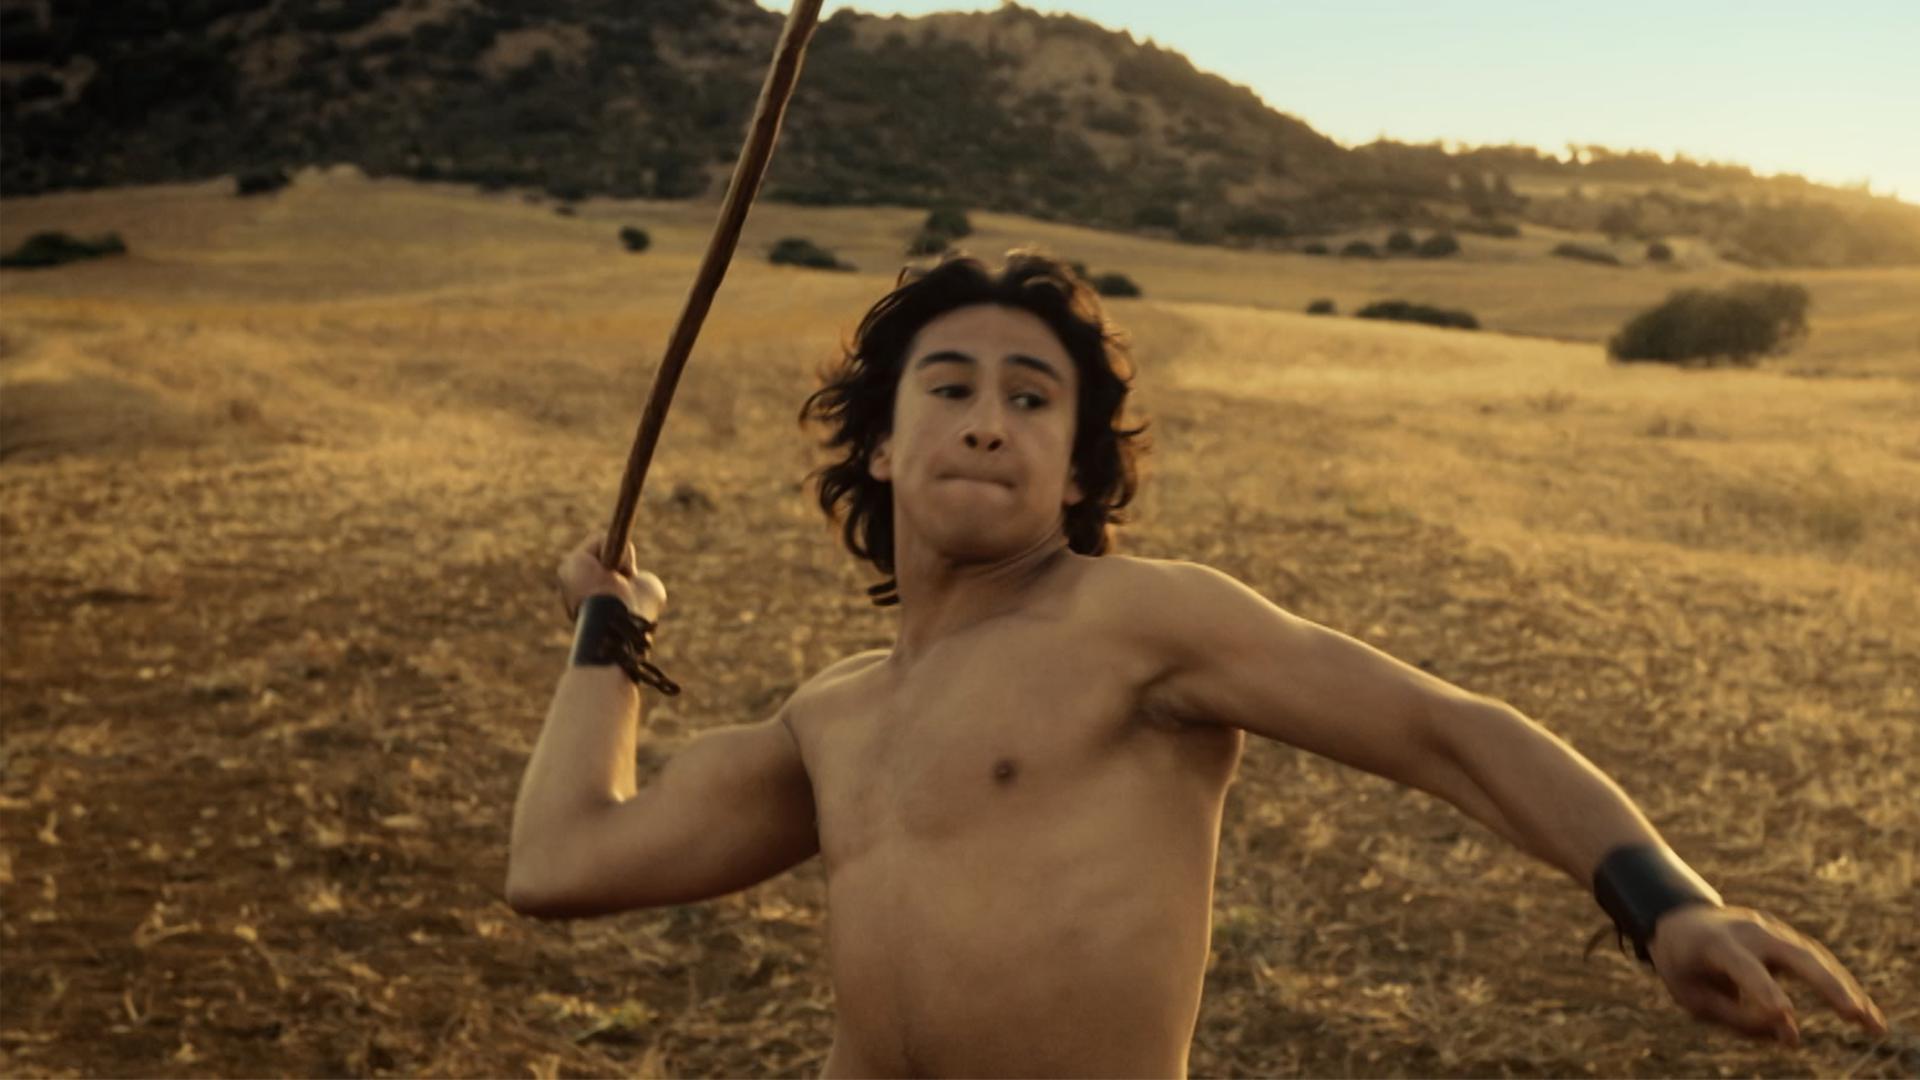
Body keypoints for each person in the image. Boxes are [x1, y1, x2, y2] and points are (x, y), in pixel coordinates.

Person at [507, 250, 1887, 1078]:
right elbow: (562, 863)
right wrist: (611, 632)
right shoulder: (833, 716)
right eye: (951, 386)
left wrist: (1666, 904)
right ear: (879, 441)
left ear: (1074, 467)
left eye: (1031, 399)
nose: (988, 421)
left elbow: (1446, 729)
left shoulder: (1136, 625)